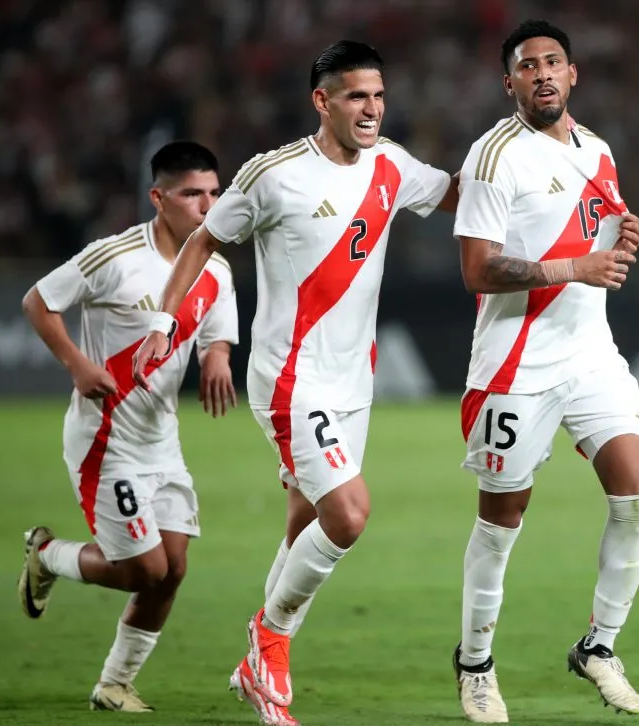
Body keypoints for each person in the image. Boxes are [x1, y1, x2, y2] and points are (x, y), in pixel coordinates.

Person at [131, 40, 459, 726]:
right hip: (289, 377)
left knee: (306, 523)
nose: (370, 109)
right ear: (323, 101)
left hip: (353, 383)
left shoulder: (392, 165)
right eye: (355, 97)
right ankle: (268, 641)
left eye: (377, 96)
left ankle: (260, 678)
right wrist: (166, 321)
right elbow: (202, 241)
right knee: (348, 514)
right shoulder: (274, 175)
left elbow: (459, 194)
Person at [450, 19, 639, 723]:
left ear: (573, 74)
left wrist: (625, 230)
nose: (542, 74)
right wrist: (577, 265)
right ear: (509, 83)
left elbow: (601, 224)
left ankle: (598, 648)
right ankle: (475, 663)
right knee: (503, 521)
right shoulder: (493, 155)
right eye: (527, 65)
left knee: (635, 495)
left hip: (590, 354)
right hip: (515, 364)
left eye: (553, 62)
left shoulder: (596, 149)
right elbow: (477, 269)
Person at [18, 141, 238, 712]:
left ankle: (115, 684)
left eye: (214, 193)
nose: (207, 206)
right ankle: (47, 556)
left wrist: (217, 355)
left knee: (173, 569)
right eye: (193, 194)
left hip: (161, 437)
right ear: (159, 198)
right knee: (144, 568)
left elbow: (215, 327)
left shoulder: (214, 266)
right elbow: (38, 302)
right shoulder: (112, 256)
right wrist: (78, 364)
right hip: (105, 438)